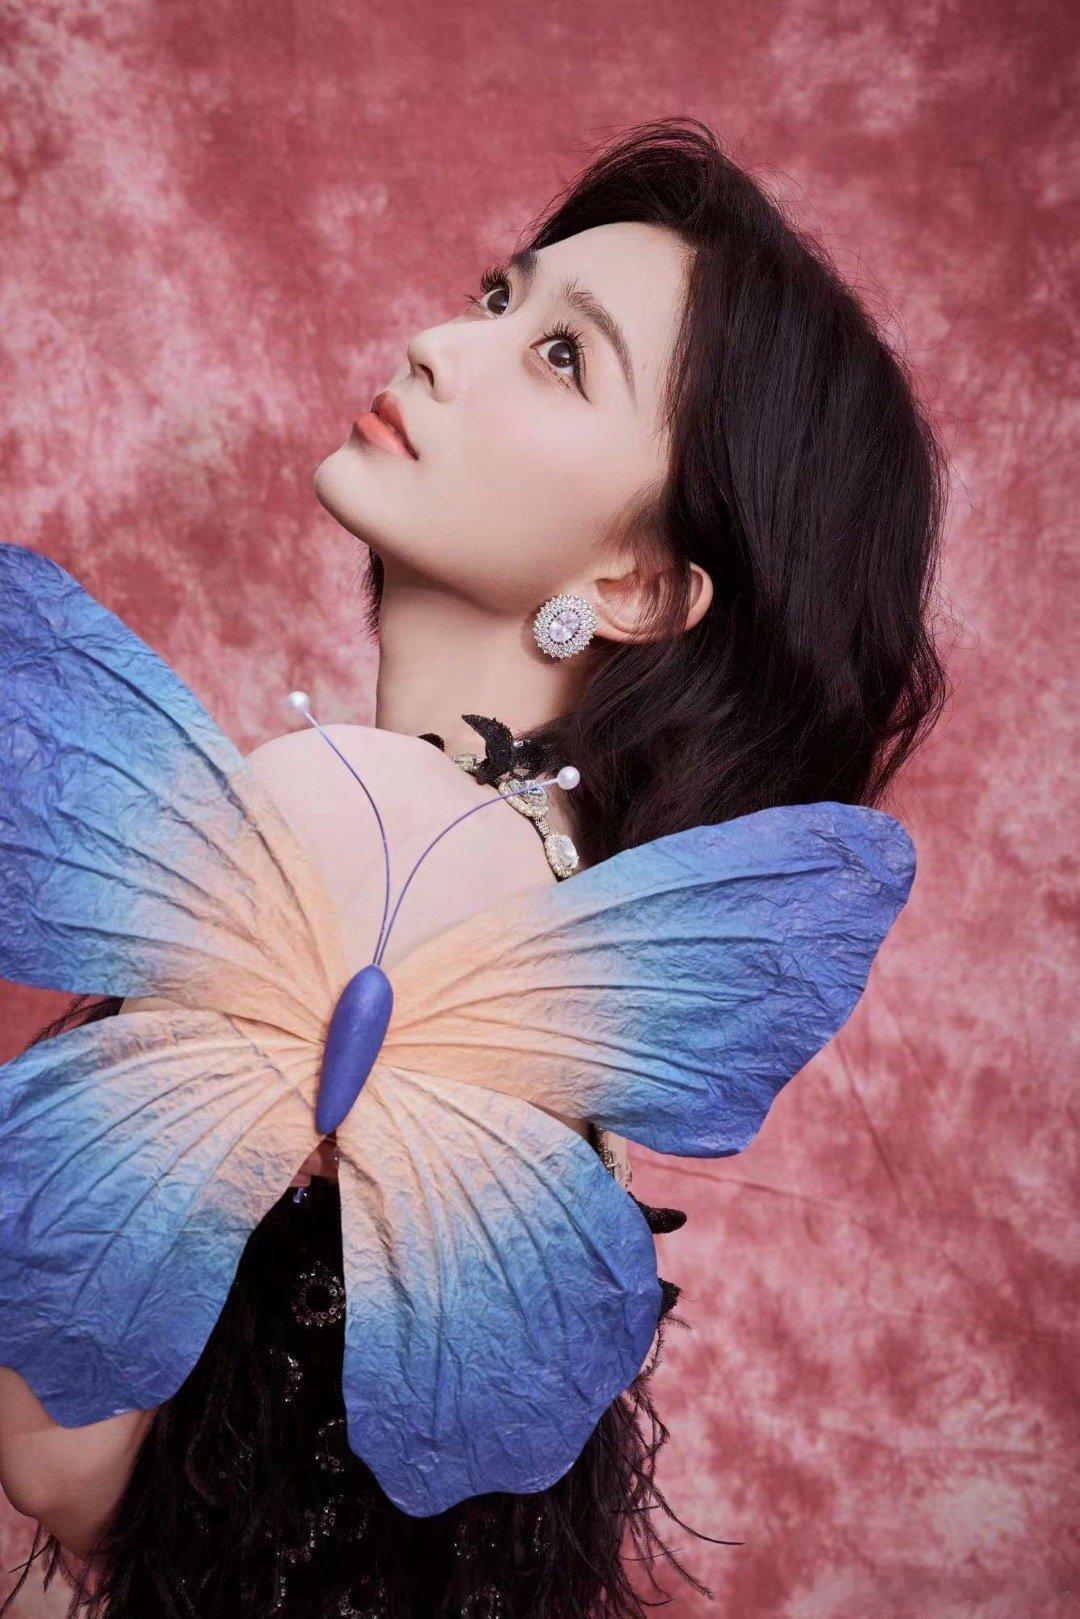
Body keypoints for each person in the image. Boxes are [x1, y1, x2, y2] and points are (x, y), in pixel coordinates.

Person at [0, 115, 949, 1618]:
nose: (443, 344)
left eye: (564, 356)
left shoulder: (330, 811)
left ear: (638, 583)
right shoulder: (577, 925)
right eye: (498, 298)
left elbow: (62, 1466)